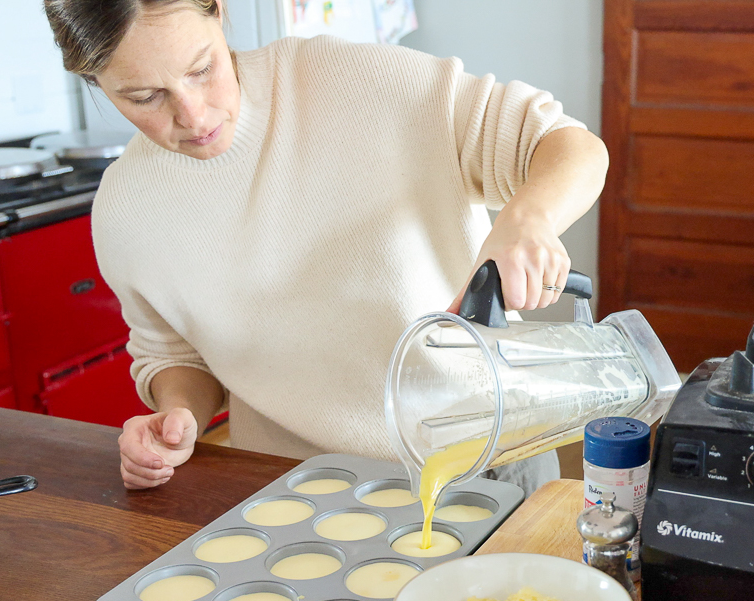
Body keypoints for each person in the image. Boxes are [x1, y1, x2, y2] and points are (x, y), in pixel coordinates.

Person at [42, 0, 608, 495]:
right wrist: (177, 417)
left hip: (481, 462)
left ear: (217, 8)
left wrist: (528, 219)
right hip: (295, 489)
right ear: (93, 81)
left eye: (201, 68)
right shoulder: (127, 209)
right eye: (145, 96)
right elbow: (174, 354)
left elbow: (570, 147)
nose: (191, 114)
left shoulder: (353, 80)